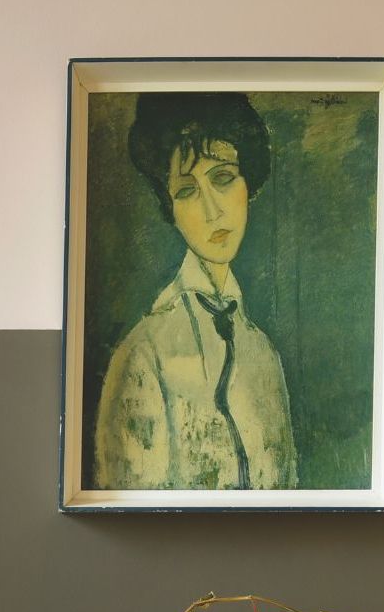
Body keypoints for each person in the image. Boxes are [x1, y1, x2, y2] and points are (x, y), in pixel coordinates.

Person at [94, 93, 297, 491]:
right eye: (187, 191)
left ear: (248, 185)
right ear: (170, 208)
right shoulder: (143, 354)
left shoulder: (264, 354)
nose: (212, 210)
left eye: (223, 178)